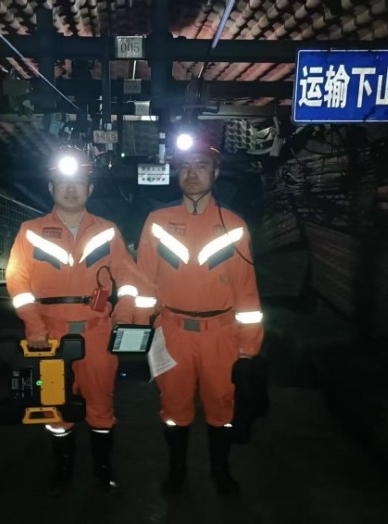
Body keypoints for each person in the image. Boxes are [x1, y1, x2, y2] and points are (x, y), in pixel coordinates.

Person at [5, 146, 145, 495]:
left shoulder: (108, 231)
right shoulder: (30, 231)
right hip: (50, 336)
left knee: (101, 404)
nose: (71, 189)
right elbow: (18, 282)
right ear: (51, 188)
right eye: (64, 183)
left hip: (97, 334)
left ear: (90, 189)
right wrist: (34, 326)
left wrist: (125, 311)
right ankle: (63, 469)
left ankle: (102, 469)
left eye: (79, 182)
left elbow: (129, 277)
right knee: (55, 406)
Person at [135, 138, 264, 496]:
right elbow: (144, 282)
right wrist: (140, 330)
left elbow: (247, 292)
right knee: (173, 407)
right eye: (185, 166)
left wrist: (248, 349)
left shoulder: (234, 225)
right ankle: (176, 471)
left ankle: (220, 472)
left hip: (220, 335)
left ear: (216, 172)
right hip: (172, 331)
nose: (192, 173)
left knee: (222, 406)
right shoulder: (157, 222)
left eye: (201, 166)